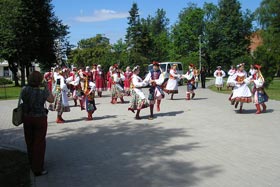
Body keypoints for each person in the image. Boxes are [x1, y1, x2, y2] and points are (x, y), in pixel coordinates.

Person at [21, 71, 54, 176]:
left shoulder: (25, 90)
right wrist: (46, 87)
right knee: (39, 143)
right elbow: (51, 100)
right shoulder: (42, 92)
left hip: (27, 118)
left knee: (29, 141)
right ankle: (38, 168)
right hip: (40, 119)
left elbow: (24, 99)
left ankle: (32, 163)